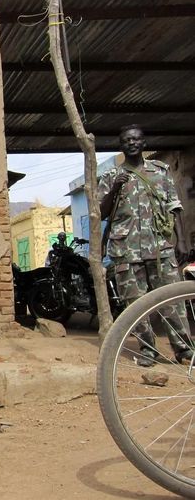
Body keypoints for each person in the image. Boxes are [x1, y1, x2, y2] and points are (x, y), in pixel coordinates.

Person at [99, 124, 192, 367]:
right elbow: (100, 212)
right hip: (126, 251)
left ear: (143, 143)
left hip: (160, 248)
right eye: (127, 140)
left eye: (136, 139)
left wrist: (181, 240)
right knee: (135, 304)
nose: (132, 143)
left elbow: (175, 206)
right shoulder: (110, 177)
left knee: (172, 300)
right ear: (121, 145)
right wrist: (115, 187)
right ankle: (148, 350)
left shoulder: (160, 172)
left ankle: (184, 349)